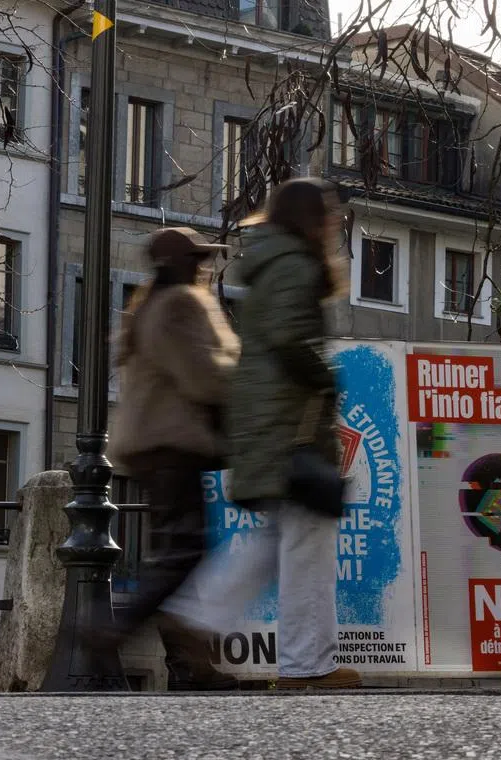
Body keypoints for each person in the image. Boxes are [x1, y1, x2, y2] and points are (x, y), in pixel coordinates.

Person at [161, 177, 362, 689]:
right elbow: (291, 338)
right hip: (287, 427)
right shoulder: (296, 265)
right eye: (329, 214)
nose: (335, 223)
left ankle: (198, 615)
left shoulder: (273, 264)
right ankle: (304, 664)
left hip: (268, 424)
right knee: (304, 539)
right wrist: (327, 377)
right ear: (310, 219)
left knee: (281, 539)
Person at [105, 226, 242, 690]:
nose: (203, 266)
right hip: (172, 446)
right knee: (184, 552)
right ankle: (114, 629)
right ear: (178, 264)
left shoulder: (146, 308)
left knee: (175, 553)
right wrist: (248, 381)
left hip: (150, 447)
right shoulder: (181, 304)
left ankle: (192, 666)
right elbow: (204, 375)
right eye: (197, 258)